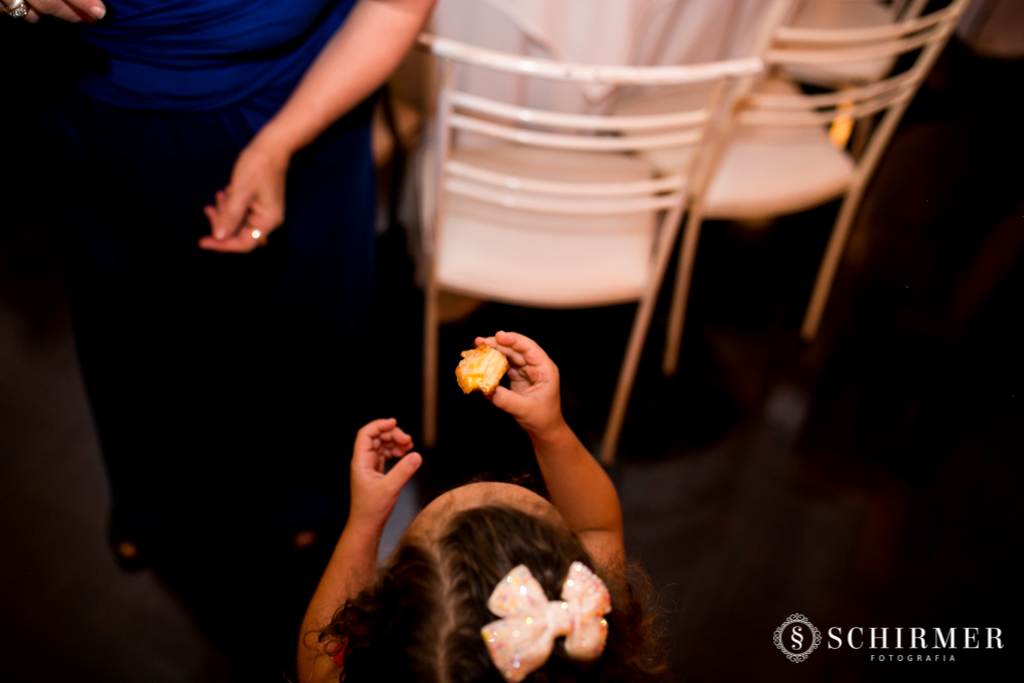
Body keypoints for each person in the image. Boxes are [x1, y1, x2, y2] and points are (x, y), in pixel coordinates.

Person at [20, 0, 436, 563]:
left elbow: (394, 5)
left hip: (304, 96)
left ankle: (298, 501)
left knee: (304, 326)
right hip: (105, 112)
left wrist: (278, 143)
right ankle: (153, 500)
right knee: (129, 324)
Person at [297, 331, 666, 682]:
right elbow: (596, 527)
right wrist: (550, 431)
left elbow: (318, 660)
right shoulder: (583, 631)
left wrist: (364, 523)